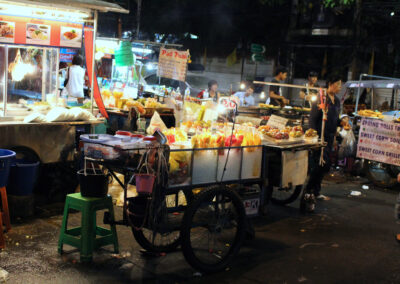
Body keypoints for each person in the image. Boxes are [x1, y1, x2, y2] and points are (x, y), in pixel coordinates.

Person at [304, 75, 343, 204]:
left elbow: (335, 119)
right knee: (318, 165)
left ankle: (316, 191)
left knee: (324, 165)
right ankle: (308, 191)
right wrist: (313, 136)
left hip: (330, 137)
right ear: (330, 84)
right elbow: (312, 119)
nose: (340, 87)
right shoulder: (321, 98)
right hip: (320, 137)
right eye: (338, 84)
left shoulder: (336, 101)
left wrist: (341, 123)